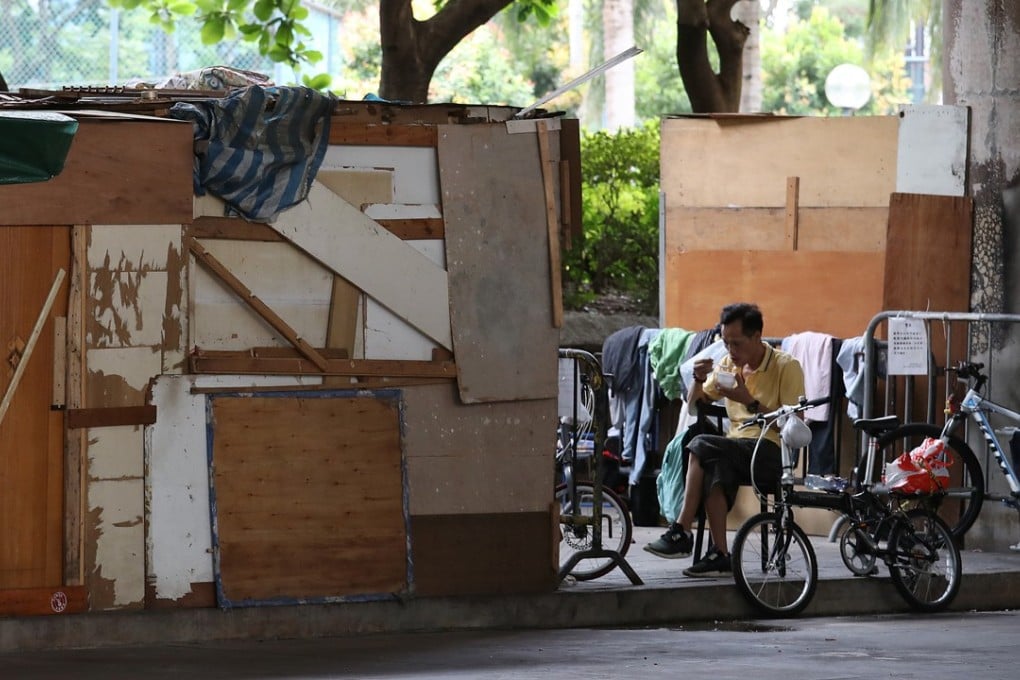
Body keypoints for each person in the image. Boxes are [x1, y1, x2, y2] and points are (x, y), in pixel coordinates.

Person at [643, 302, 806, 577]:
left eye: (737, 343)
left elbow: (791, 425)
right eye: (726, 342)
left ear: (757, 337)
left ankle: (682, 529)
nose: (731, 350)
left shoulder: (785, 366)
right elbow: (695, 406)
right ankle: (721, 553)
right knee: (713, 464)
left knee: (702, 445)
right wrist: (698, 377)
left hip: (772, 451)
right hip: (736, 449)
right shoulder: (728, 364)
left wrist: (749, 402)